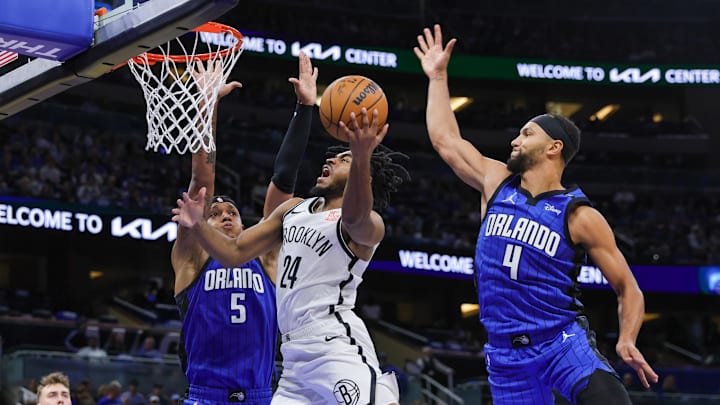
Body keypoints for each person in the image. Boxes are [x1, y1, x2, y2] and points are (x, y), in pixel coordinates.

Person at [413, 24, 659, 405]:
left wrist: (627, 338)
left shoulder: (578, 214)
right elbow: (445, 140)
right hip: (505, 355)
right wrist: (438, 76)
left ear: (553, 147)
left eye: (527, 133)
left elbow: (629, 288)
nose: (515, 139)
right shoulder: (496, 181)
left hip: (561, 343)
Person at [172, 106, 410, 404]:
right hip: (293, 357)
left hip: (335, 342)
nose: (331, 158)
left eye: (343, 158)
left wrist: (361, 156)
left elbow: (355, 216)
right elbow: (233, 252)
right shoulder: (293, 210)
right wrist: (197, 223)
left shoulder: (368, 223)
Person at [170, 52, 317, 405]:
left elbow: (283, 182)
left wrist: (305, 108)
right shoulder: (193, 259)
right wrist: (207, 105)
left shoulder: (266, 258)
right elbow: (202, 178)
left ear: (244, 224)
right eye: (215, 212)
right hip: (204, 396)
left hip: (260, 396)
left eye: (232, 212)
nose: (224, 215)